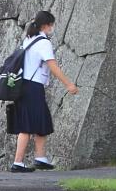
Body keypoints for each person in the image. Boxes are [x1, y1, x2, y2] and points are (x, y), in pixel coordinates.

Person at [9, 10, 78, 172]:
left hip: (25, 85)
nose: (52, 28)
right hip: (32, 86)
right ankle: (18, 162)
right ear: (46, 25)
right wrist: (68, 84)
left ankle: (40, 158)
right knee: (27, 124)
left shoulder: (29, 39)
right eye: (51, 25)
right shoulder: (43, 42)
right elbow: (52, 65)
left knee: (42, 120)